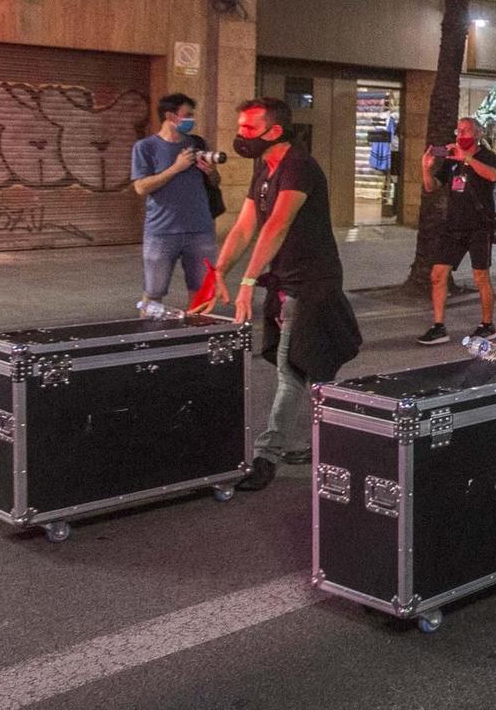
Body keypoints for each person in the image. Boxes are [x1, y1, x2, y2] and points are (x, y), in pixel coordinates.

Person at [210, 97, 360, 493]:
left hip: (312, 282)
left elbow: (275, 226)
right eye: (240, 126)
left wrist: (246, 282)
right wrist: (220, 270)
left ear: (274, 131)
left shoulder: (299, 167)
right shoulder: (265, 166)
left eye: (248, 129)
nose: (240, 135)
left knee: (291, 368)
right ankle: (334, 439)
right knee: (313, 368)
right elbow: (246, 226)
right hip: (284, 281)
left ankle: (266, 456)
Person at [130, 92, 221, 314]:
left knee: (201, 290)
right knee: (153, 292)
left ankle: (196, 336)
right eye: (187, 115)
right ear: (170, 116)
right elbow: (141, 187)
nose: (192, 120)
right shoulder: (146, 147)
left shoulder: (197, 144)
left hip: (200, 229)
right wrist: (175, 168)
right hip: (162, 231)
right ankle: (151, 336)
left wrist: (211, 173)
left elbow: (215, 183)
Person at [416, 117, 496, 346]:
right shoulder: (451, 160)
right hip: (453, 227)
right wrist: (426, 168)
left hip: (479, 226)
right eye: (458, 130)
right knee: (438, 274)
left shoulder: (486, 156)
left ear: (477, 134)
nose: (460, 134)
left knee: (480, 275)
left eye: (466, 130)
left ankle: (487, 325)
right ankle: (438, 326)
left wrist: (468, 159)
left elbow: (493, 176)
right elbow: (432, 186)